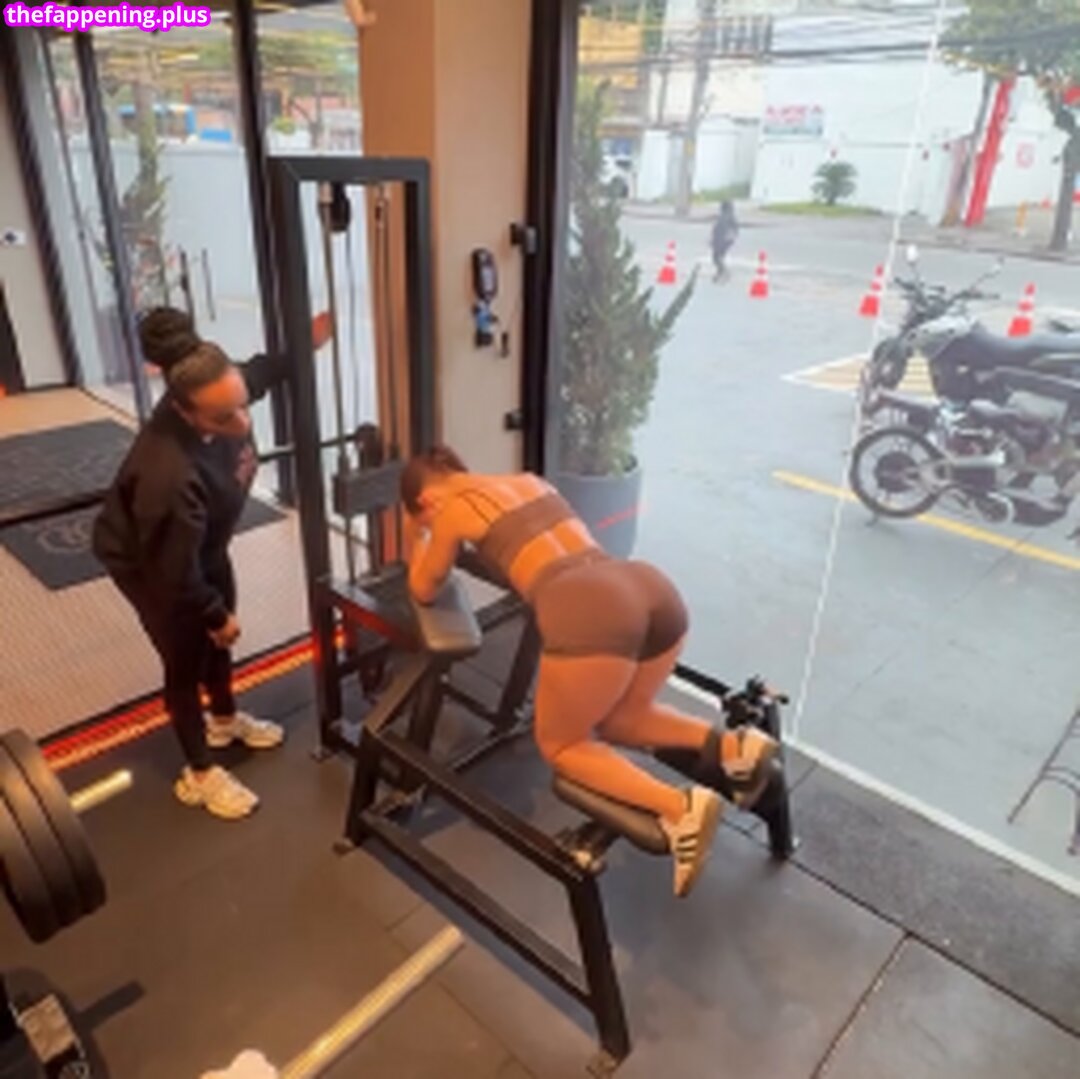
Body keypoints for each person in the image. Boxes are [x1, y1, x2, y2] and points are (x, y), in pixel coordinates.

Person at [399, 448, 779, 898]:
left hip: (587, 608)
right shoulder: (529, 481)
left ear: (427, 500)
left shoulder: (452, 511)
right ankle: (734, 746)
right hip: (646, 586)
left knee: (561, 745)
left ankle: (680, 809)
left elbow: (423, 588)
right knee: (624, 718)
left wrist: (416, 533)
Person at [93, 307, 332, 820]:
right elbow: (174, 573)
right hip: (149, 563)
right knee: (185, 654)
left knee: (220, 637)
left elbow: (263, 371)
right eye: (224, 418)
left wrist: (307, 344)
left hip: (201, 546)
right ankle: (199, 773)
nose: (242, 422)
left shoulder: (218, 386)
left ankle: (223, 720)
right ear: (185, 413)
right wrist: (214, 613)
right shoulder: (167, 475)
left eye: (242, 405)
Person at [710, 200, 739, 283]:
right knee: (718, 257)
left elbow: (733, 229)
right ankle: (719, 274)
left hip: (722, 240)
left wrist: (729, 237)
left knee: (716, 258)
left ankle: (724, 272)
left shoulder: (727, 217)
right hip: (722, 240)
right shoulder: (727, 216)